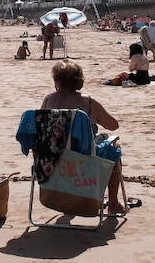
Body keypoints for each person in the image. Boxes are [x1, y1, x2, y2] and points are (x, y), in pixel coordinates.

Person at [40, 60, 125, 216]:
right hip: (83, 160)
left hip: (54, 159)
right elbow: (113, 125)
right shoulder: (87, 102)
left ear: (57, 80)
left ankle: (68, 202)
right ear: (79, 80)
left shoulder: (48, 100)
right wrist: (95, 119)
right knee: (114, 147)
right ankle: (113, 203)